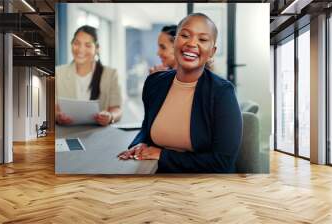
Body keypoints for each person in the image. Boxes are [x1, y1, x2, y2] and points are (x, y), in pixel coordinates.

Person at [117, 13, 242, 173]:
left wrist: (163, 155)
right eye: (184, 35)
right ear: (175, 40)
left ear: (212, 51)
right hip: (155, 176)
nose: (191, 43)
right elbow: (146, 129)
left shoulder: (222, 93)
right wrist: (140, 144)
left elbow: (222, 162)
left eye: (202, 39)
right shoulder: (154, 82)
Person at [56, 25, 122, 126]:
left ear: (97, 48)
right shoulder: (58, 73)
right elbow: (53, 107)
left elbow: (116, 109)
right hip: (67, 132)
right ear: (71, 44)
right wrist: (57, 116)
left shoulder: (110, 74)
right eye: (76, 43)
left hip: (97, 134)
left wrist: (110, 116)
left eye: (87, 45)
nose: (80, 50)